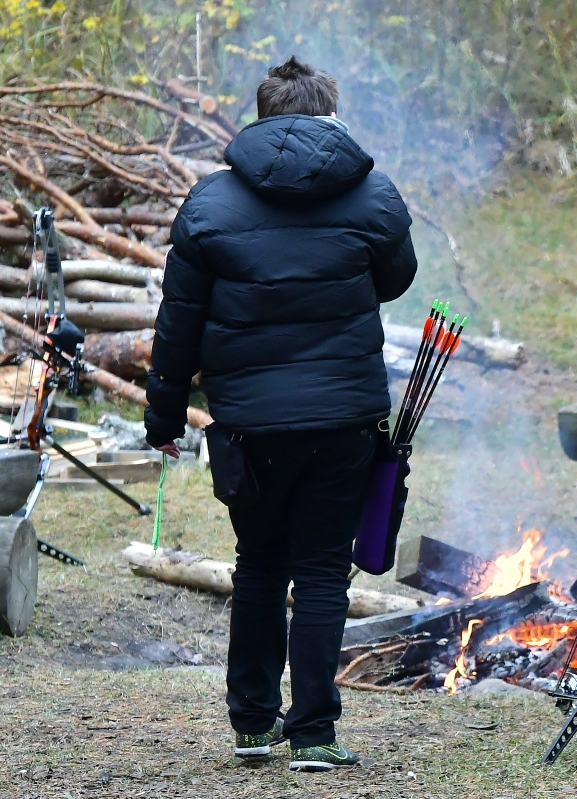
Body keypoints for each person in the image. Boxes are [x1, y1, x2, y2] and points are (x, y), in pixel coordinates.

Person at [143, 56, 418, 772]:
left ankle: (253, 724)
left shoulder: (210, 202)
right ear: (331, 116)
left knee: (260, 564)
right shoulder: (372, 194)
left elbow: (178, 322)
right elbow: (397, 277)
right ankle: (315, 735)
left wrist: (164, 417)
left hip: (248, 425)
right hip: (344, 421)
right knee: (323, 572)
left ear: (262, 115)